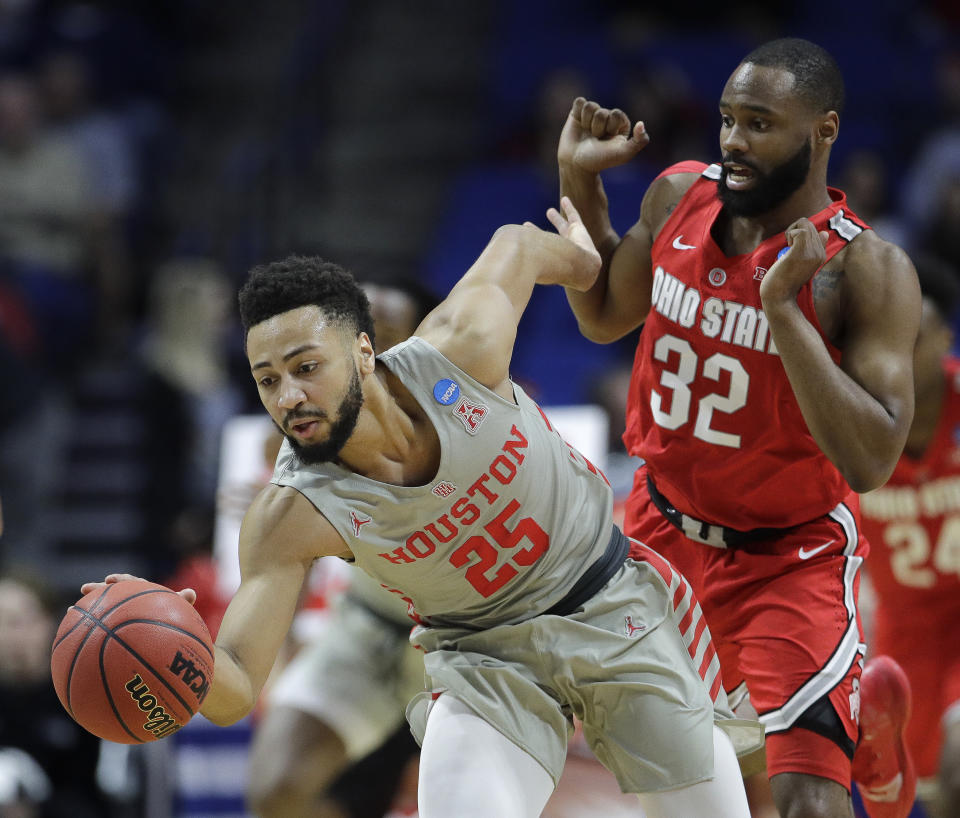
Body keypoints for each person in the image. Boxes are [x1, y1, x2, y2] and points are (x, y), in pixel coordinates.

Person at [83, 197, 763, 818]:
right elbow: (233, 689)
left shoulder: (461, 349)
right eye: (267, 380)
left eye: (305, 367)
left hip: (613, 611)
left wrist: (584, 261)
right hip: (485, 658)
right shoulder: (291, 513)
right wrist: (163, 654)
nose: (287, 395)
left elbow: (517, 243)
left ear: (363, 349)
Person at [556, 37, 921, 818]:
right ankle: (865, 730)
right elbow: (601, 316)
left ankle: (859, 746)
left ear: (822, 131)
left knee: (806, 805)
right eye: (727, 119)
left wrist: (783, 311)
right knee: (700, 792)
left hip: (786, 558)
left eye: (759, 123)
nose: (732, 141)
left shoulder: (868, 270)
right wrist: (580, 179)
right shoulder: (677, 195)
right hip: (661, 534)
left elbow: (871, 460)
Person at [245, 277, 437, 818]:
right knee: (275, 793)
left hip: (469, 642)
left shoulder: (468, 407)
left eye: (385, 335)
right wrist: (282, 648)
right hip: (369, 629)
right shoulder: (305, 433)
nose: (369, 350)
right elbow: (289, 550)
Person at [858, 255, 960, 818]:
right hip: (904, 636)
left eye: (915, 337)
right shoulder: (854, 422)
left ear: (946, 336)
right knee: (922, 795)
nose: (897, 351)